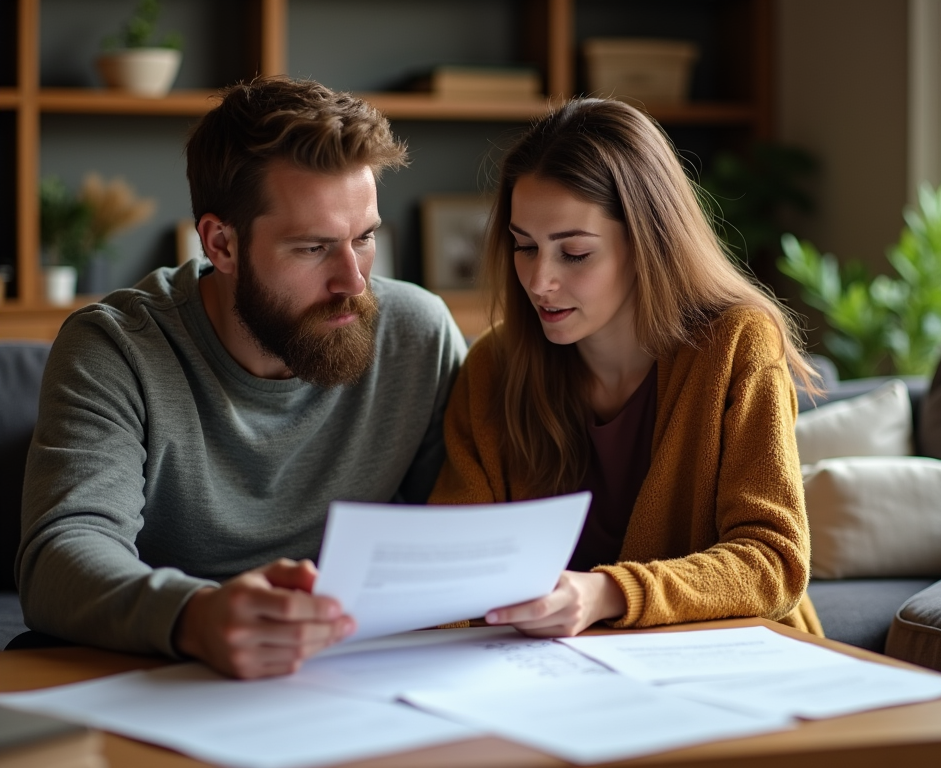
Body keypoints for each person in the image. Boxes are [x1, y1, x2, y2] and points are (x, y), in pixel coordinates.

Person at [17, 76, 467, 678]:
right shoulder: (115, 348)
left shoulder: (417, 334)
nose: (353, 283)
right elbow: (58, 559)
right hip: (173, 677)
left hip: (362, 671)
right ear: (221, 244)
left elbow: (471, 527)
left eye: (363, 239)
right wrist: (199, 616)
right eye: (312, 248)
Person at [430, 98, 823, 638]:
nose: (539, 280)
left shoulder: (738, 344)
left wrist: (607, 593)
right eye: (524, 247)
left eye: (574, 253)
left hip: (734, 657)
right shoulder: (495, 365)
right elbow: (455, 562)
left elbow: (774, 561)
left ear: (648, 244)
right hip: (549, 671)